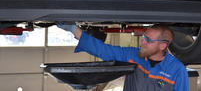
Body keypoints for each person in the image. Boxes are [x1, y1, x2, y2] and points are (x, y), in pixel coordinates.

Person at [58, 23, 189, 91]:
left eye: (148, 40)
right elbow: (104, 50)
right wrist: (74, 29)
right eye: (143, 37)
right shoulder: (133, 56)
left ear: (162, 46)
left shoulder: (177, 70)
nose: (142, 42)